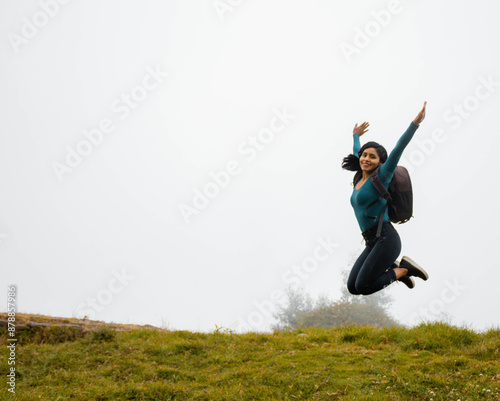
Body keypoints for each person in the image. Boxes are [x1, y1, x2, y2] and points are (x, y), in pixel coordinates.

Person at [342, 102, 429, 295]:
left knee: (364, 286)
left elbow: (400, 146)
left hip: (386, 239)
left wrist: (415, 123)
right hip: (372, 241)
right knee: (352, 287)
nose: (366, 159)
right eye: (364, 155)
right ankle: (398, 269)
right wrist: (355, 135)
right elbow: (358, 149)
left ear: (381, 163)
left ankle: (404, 269)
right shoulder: (359, 176)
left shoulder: (382, 175)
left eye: (372, 157)